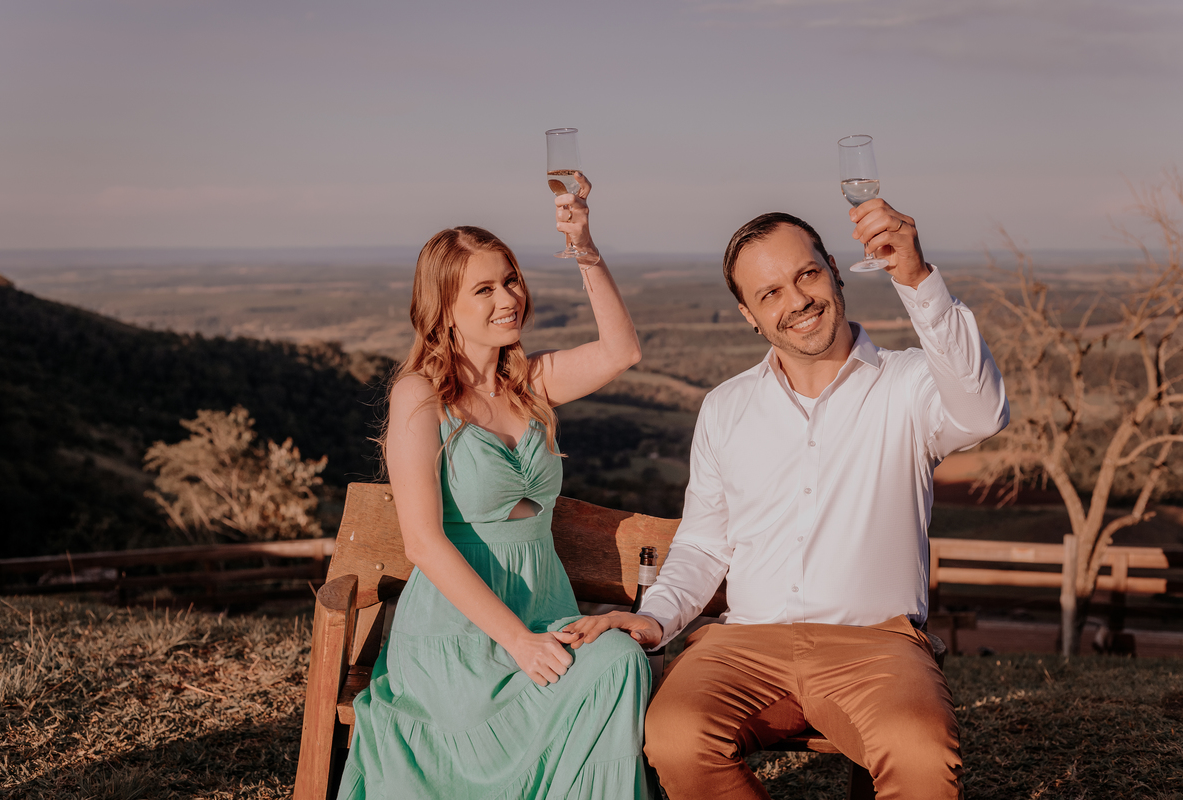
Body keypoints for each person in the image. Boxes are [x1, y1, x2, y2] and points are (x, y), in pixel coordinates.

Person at [563, 199, 1009, 799]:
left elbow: (982, 410)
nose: (796, 301)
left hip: (876, 644)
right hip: (745, 644)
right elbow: (702, 543)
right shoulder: (725, 407)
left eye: (806, 275)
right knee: (674, 734)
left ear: (834, 268)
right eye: (769, 292)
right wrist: (655, 618)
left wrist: (916, 278)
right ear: (749, 314)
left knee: (921, 754)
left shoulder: (910, 384)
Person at [337, 174, 652, 800]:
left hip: (546, 612)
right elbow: (424, 544)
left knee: (620, 661)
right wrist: (516, 642)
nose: (508, 297)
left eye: (510, 279)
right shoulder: (419, 396)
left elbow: (622, 350)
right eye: (484, 288)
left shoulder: (531, 386)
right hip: (459, 638)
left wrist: (584, 247)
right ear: (444, 308)